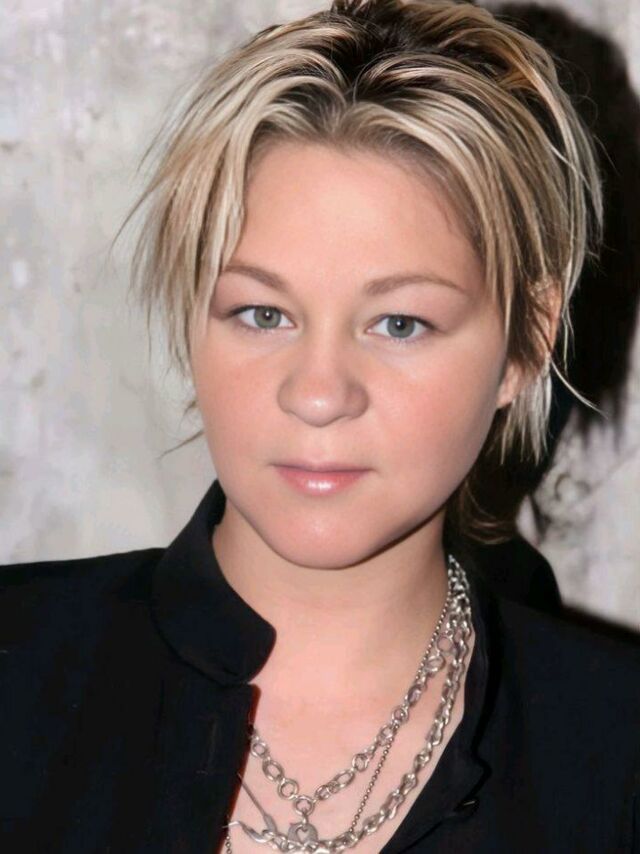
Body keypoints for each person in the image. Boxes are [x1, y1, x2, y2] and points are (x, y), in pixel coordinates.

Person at [1, 1, 639, 852]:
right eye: (263, 313)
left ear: (527, 340)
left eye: (399, 324)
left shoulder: (615, 753)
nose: (317, 393)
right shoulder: (18, 668)